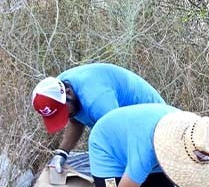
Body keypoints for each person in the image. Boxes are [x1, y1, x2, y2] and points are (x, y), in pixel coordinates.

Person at [31, 63, 166, 173]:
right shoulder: (58, 87)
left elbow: (119, 141)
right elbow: (76, 118)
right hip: (125, 126)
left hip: (153, 126)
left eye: (63, 113)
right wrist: (62, 153)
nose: (64, 117)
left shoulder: (97, 100)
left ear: (69, 94)